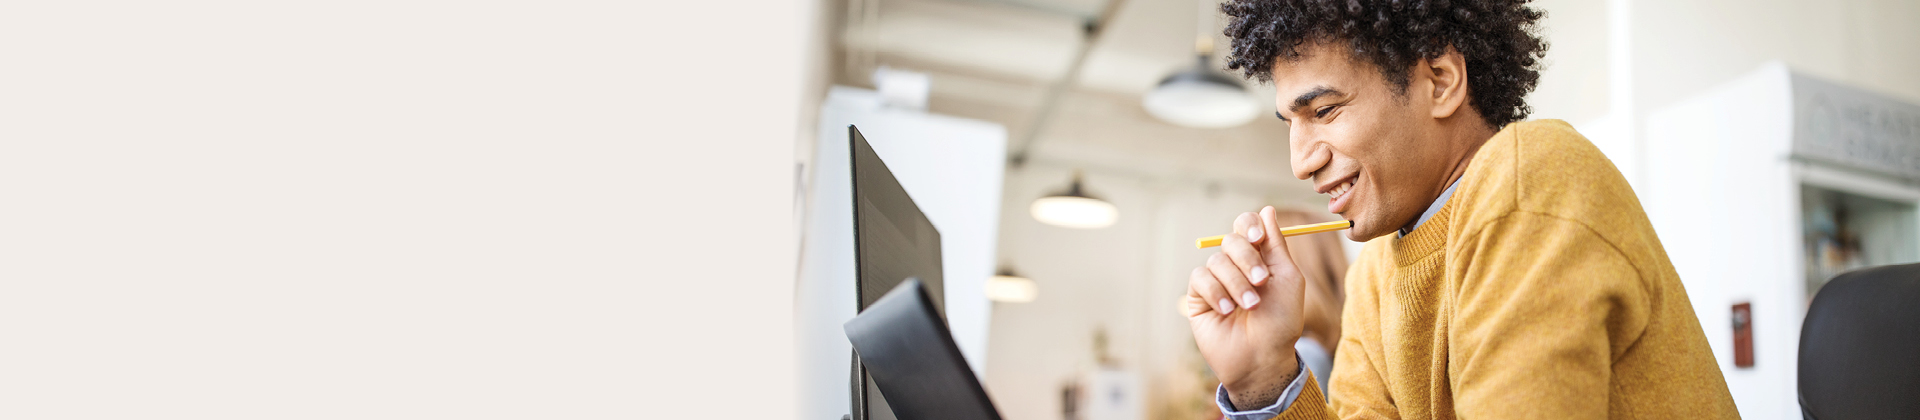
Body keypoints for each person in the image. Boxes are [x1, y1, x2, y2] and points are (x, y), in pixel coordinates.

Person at [1179, 1, 1740, 419]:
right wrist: (1262, 378)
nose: (1300, 163)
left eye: (1324, 110)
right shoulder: (1378, 269)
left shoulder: (1528, 181)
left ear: (1441, 82)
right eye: (1291, 124)